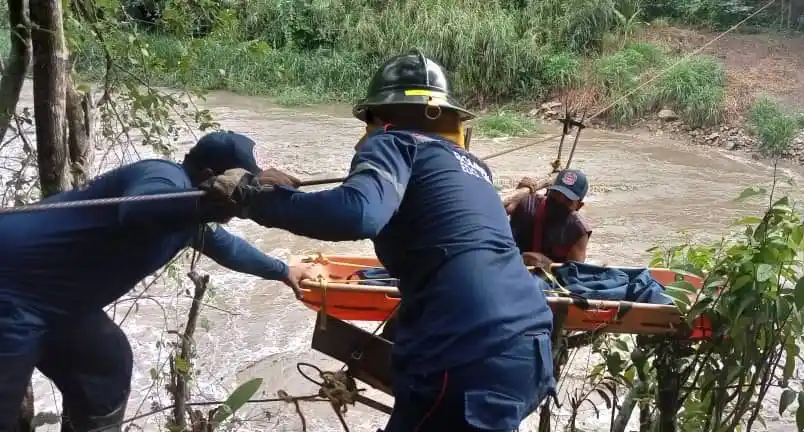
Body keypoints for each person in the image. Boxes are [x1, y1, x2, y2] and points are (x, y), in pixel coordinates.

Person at [199, 50, 556, 432]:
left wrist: (257, 199)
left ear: (379, 117)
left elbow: (357, 213)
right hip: (530, 345)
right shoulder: (475, 169)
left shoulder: (394, 142)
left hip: (469, 354)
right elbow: (449, 261)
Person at [0, 131, 318, 432]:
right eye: (237, 185)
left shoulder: (190, 220)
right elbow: (138, 209)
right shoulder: (163, 176)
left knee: (106, 368)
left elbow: (231, 248)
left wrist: (283, 270)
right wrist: (211, 202)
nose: (238, 202)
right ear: (210, 175)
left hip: (55, 301)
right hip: (12, 290)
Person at [506, 169, 591, 268]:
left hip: (550, 280)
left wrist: (547, 264)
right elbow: (495, 214)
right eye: (556, 193)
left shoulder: (578, 230)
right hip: (510, 268)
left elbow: (574, 274)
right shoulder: (526, 204)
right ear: (548, 191)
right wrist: (517, 195)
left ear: (578, 206)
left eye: (567, 200)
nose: (559, 201)